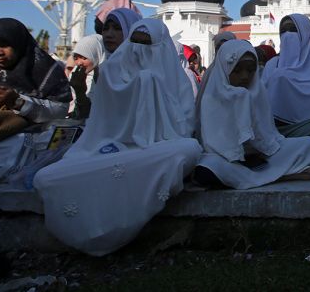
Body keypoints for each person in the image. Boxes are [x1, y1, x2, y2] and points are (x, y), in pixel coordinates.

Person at [34, 19, 202, 256]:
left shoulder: (177, 79)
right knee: (46, 178)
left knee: (189, 148)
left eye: (148, 45)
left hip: (155, 152)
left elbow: (183, 128)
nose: (141, 51)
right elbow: (103, 126)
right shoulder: (113, 73)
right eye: (136, 43)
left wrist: (151, 90)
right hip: (111, 148)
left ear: (162, 47)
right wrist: (143, 85)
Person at [193, 40, 310, 189]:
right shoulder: (212, 96)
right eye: (237, 70)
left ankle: (258, 176)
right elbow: (213, 142)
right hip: (227, 158)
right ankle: (282, 175)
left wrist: (258, 151)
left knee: (309, 145)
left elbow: (267, 136)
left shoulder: (257, 92)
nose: (245, 76)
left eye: (250, 70)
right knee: (207, 168)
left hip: (260, 156)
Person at [261, 14, 310, 139]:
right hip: (275, 133)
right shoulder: (272, 65)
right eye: (283, 31)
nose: (287, 35)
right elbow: (261, 102)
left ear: (306, 33)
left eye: (293, 29)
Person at [68, 34, 105, 119]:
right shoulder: (75, 76)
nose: (79, 63)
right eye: (76, 58)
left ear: (97, 54)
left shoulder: (109, 76)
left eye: (84, 57)